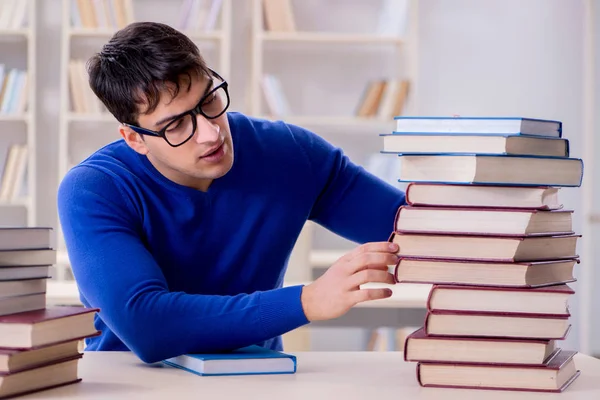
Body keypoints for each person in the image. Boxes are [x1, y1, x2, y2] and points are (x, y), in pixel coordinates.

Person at [57, 21, 405, 364]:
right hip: (131, 384)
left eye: (208, 101)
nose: (210, 134)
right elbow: (146, 325)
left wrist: (452, 167)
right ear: (135, 139)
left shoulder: (290, 153)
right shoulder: (93, 190)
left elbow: (415, 231)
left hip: (257, 379)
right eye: (176, 125)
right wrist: (308, 301)